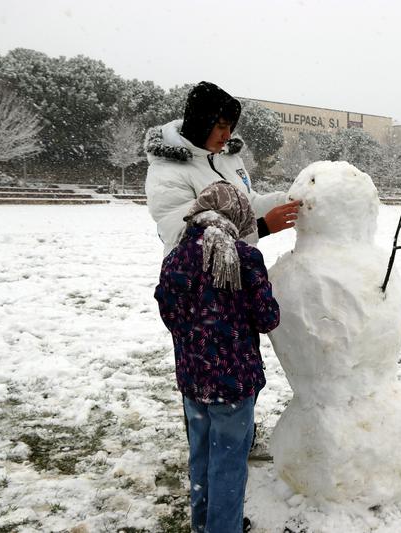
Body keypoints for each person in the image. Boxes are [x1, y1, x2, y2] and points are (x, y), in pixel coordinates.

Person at [154, 182, 280, 533]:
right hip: (234, 382)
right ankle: (223, 527)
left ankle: (203, 522)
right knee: (228, 461)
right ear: (236, 214)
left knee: (202, 456)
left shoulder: (177, 256)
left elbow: (168, 310)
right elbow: (267, 318)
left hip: (192, 380)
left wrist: (195, 335)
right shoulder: (244, 257)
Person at [144, 81, 300, 257]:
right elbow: (188, 237)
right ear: (201, 124)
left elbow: (248, 205)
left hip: (241, 271)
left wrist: (289, 200)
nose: (227, 136)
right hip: (196, 280)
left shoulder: (228, 159)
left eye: (230, 127)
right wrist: (263, 227)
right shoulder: (167, 170)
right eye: (221, 127)